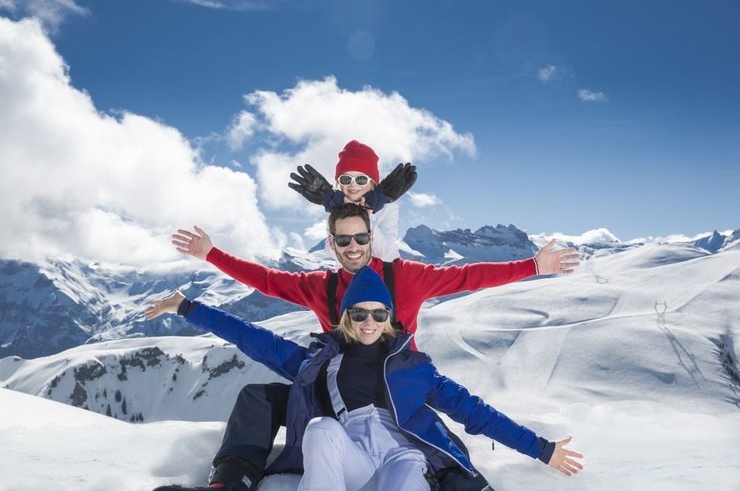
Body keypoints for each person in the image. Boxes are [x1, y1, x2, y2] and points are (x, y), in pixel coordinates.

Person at [168, 203, 580, 489]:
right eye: (359, 314)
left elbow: (475, 408)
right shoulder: (323, 357)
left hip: (402, 437)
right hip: (344, 434)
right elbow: (258, 330)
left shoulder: (413, 360)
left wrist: (541, 449)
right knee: (300, 417)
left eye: (379, 314)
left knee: (420, 462)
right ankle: (231, 480)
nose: (369, 321)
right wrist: (192, 300)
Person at [288, 139, 417, 262]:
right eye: (346, 179)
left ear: (372, 183)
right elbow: (334, 252)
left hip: (386, 274)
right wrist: (344, 211)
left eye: (361, 179)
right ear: (339, 183)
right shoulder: (334, 206)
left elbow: (382, 252)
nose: (353, 184)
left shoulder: (388, 207)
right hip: (350, 275)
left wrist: (364, 216)